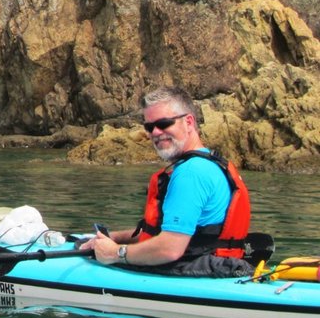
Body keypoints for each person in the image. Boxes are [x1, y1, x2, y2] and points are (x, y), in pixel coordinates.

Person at [81, 86, 253, 277]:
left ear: (188, 122)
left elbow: (169, 248)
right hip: (220, 267)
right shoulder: (208, 164)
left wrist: (115, 253)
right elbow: (172, 233)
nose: (155, 132)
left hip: (198, 274)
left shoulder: (191, 173)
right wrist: (114, 238)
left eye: (163, 123)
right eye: (149, 127)